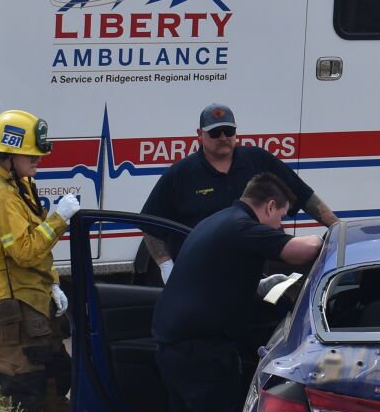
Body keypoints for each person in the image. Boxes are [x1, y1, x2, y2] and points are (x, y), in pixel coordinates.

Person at [151, 174, 324, 412]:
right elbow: (300, 251)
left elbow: (219, 277)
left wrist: (259, 286)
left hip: (175, 346)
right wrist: (330, 237)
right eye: (281, 216)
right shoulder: (242, 226)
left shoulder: (218, 220)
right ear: (269, 206)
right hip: (201, 351)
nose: (279, 226)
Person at [0, 108, 90, 412]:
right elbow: (24, 250)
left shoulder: (19, 187)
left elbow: (32, 251)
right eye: (30, 154)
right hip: (11, 305)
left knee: (53, 376)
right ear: (7, 157)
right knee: (18, 386)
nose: (38, 159)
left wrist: (52, 283)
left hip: (32, 301)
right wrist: (59, 219)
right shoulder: (1, 197)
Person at [137, 101, 336, 283]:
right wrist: (166, 267)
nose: (223, 137)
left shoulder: (258, 161)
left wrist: (336, 227)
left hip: (258, 273)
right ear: (200, 134)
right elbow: (150, 223)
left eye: (228, 131)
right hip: (203, 276)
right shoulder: (181, 174)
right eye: (215, 133)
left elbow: (304, 196)